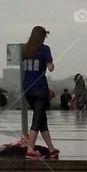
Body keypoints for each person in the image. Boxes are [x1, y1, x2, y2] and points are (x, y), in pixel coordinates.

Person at [21, 25, 58, 159]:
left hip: (27, 88)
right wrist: (51, 65)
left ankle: (52, 149)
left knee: (42, 119)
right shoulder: (44, 49)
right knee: (37, 119)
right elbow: (50, 67)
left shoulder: (25, 49)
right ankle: (30, 149)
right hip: (40, 88)